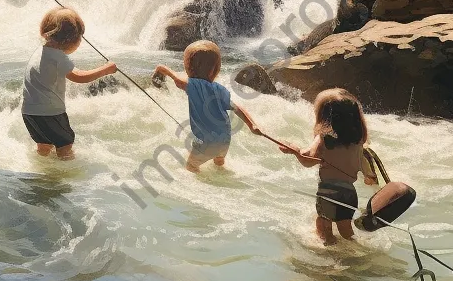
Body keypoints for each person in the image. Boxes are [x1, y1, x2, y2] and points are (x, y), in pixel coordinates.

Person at [278, 88, 379, 246]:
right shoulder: (358, 142)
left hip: (328, 192)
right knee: (346, 229)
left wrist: (295, 151)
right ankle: (357, 252)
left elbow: (308, 159)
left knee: (323, 226)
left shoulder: (323, 138)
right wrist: (369, 176)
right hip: (349, 194)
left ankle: (329, 258)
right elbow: (364, 165)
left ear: (324, 117)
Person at [22, 7, 117, 160]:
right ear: (70, 40)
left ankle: (42, 175)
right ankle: (66, 177)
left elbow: (70, 70)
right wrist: (106, 69)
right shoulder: (58, 57)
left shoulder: (41, 52)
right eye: (80, 37)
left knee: (44, 145)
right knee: (65, 146)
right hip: (50, 113)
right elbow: (79, 77)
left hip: (29, 113)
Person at [153, 41, 261, 173]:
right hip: (225, 141)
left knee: (190, 166)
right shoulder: (219, 90)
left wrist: (160, 68)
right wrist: (252, 125)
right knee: (218, 160)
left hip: (206, 143)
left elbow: (175, 78)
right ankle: (220, 166)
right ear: (216, 70)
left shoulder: (191, 85)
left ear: (188, 68)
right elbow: (237, 108)